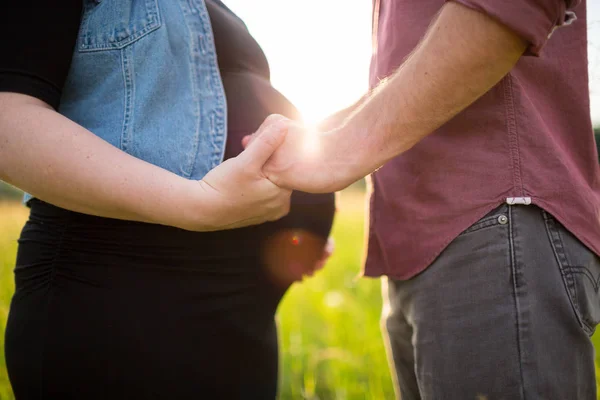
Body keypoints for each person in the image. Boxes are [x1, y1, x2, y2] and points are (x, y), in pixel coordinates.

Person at [248, 0, 600, 398]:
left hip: (490, 221)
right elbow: (409, 78)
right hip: (427, 244)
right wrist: (309, 139)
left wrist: (338, 153)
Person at [0, 1, 334, 398]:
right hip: (120, 303)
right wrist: (202, 202)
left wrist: (298, 230)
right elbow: (8, 117)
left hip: (245, 312)